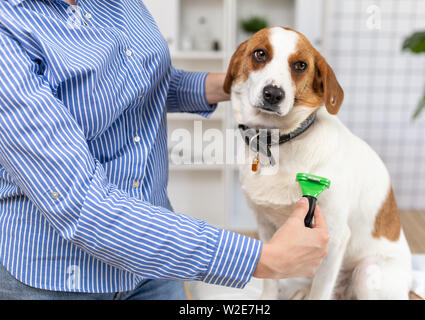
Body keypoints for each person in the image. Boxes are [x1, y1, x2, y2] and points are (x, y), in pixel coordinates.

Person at [0, 0, 329, 300]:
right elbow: (83, 204)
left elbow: (141, 85)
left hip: (156, 260)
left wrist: (238, 86)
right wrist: (263, 258)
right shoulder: (8, 29)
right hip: (58, 276)